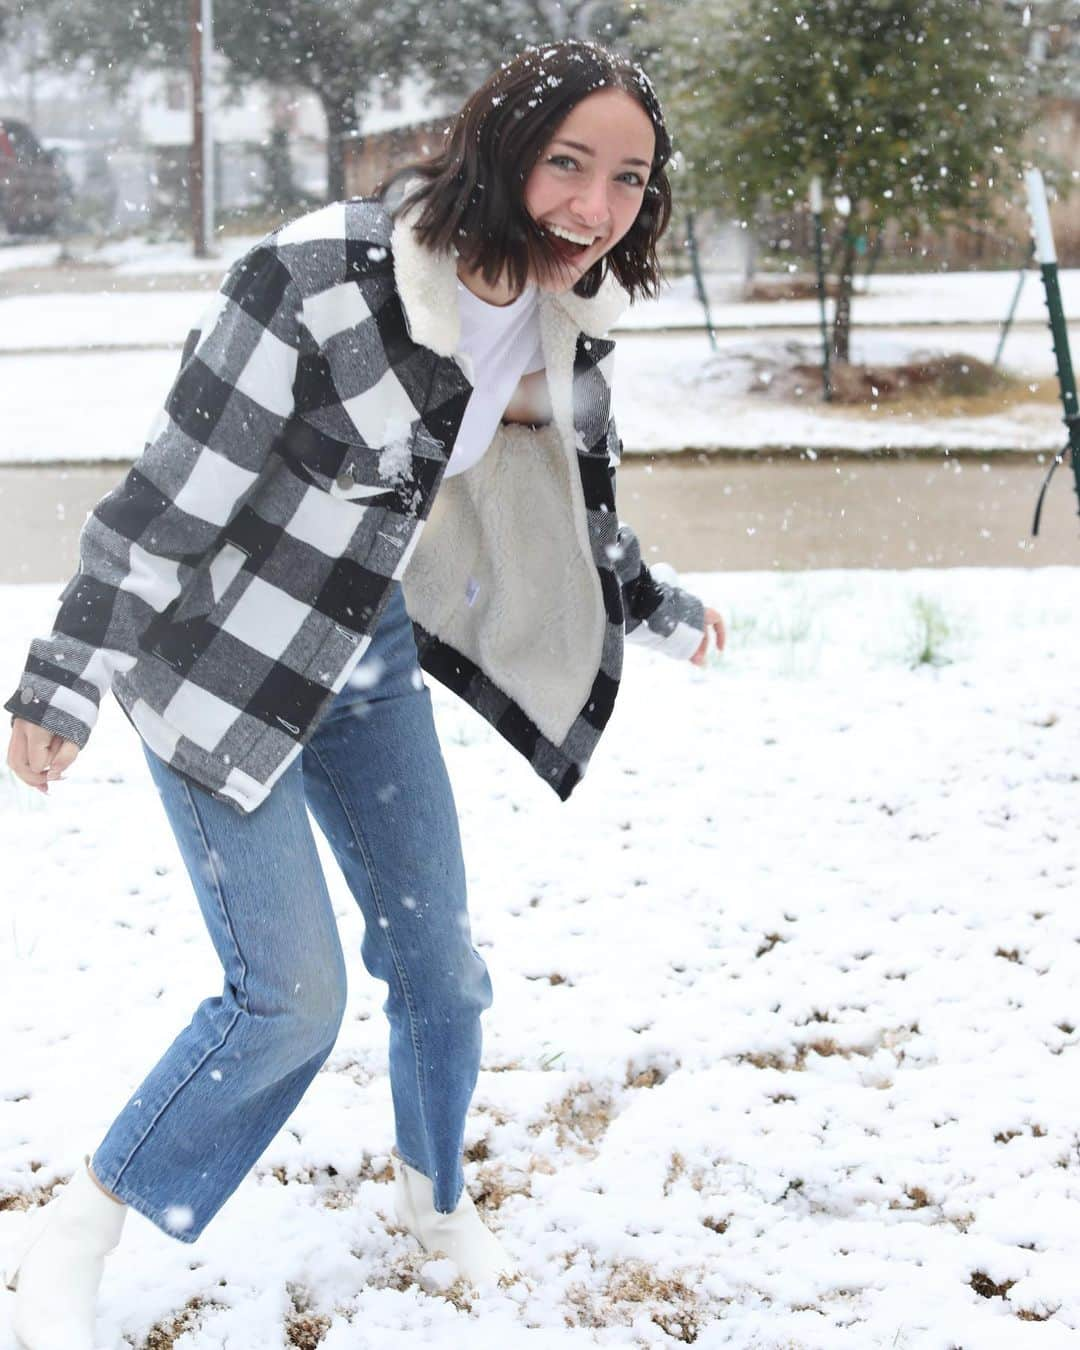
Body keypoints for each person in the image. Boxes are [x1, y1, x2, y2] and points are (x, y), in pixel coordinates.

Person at [3, 38, 725, 1348]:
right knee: (289, 997)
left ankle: (436, 1201)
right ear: (498, 148)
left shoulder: (572, 328)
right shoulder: (323, 275)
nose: (594, 204)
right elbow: (166, 496)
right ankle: (85, 1222)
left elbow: (576, 516)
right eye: (569, 161)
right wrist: (62, 674)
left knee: (441, 968)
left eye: (628, 177)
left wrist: (661, 612)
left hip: (368, 661)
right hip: (218, 666)